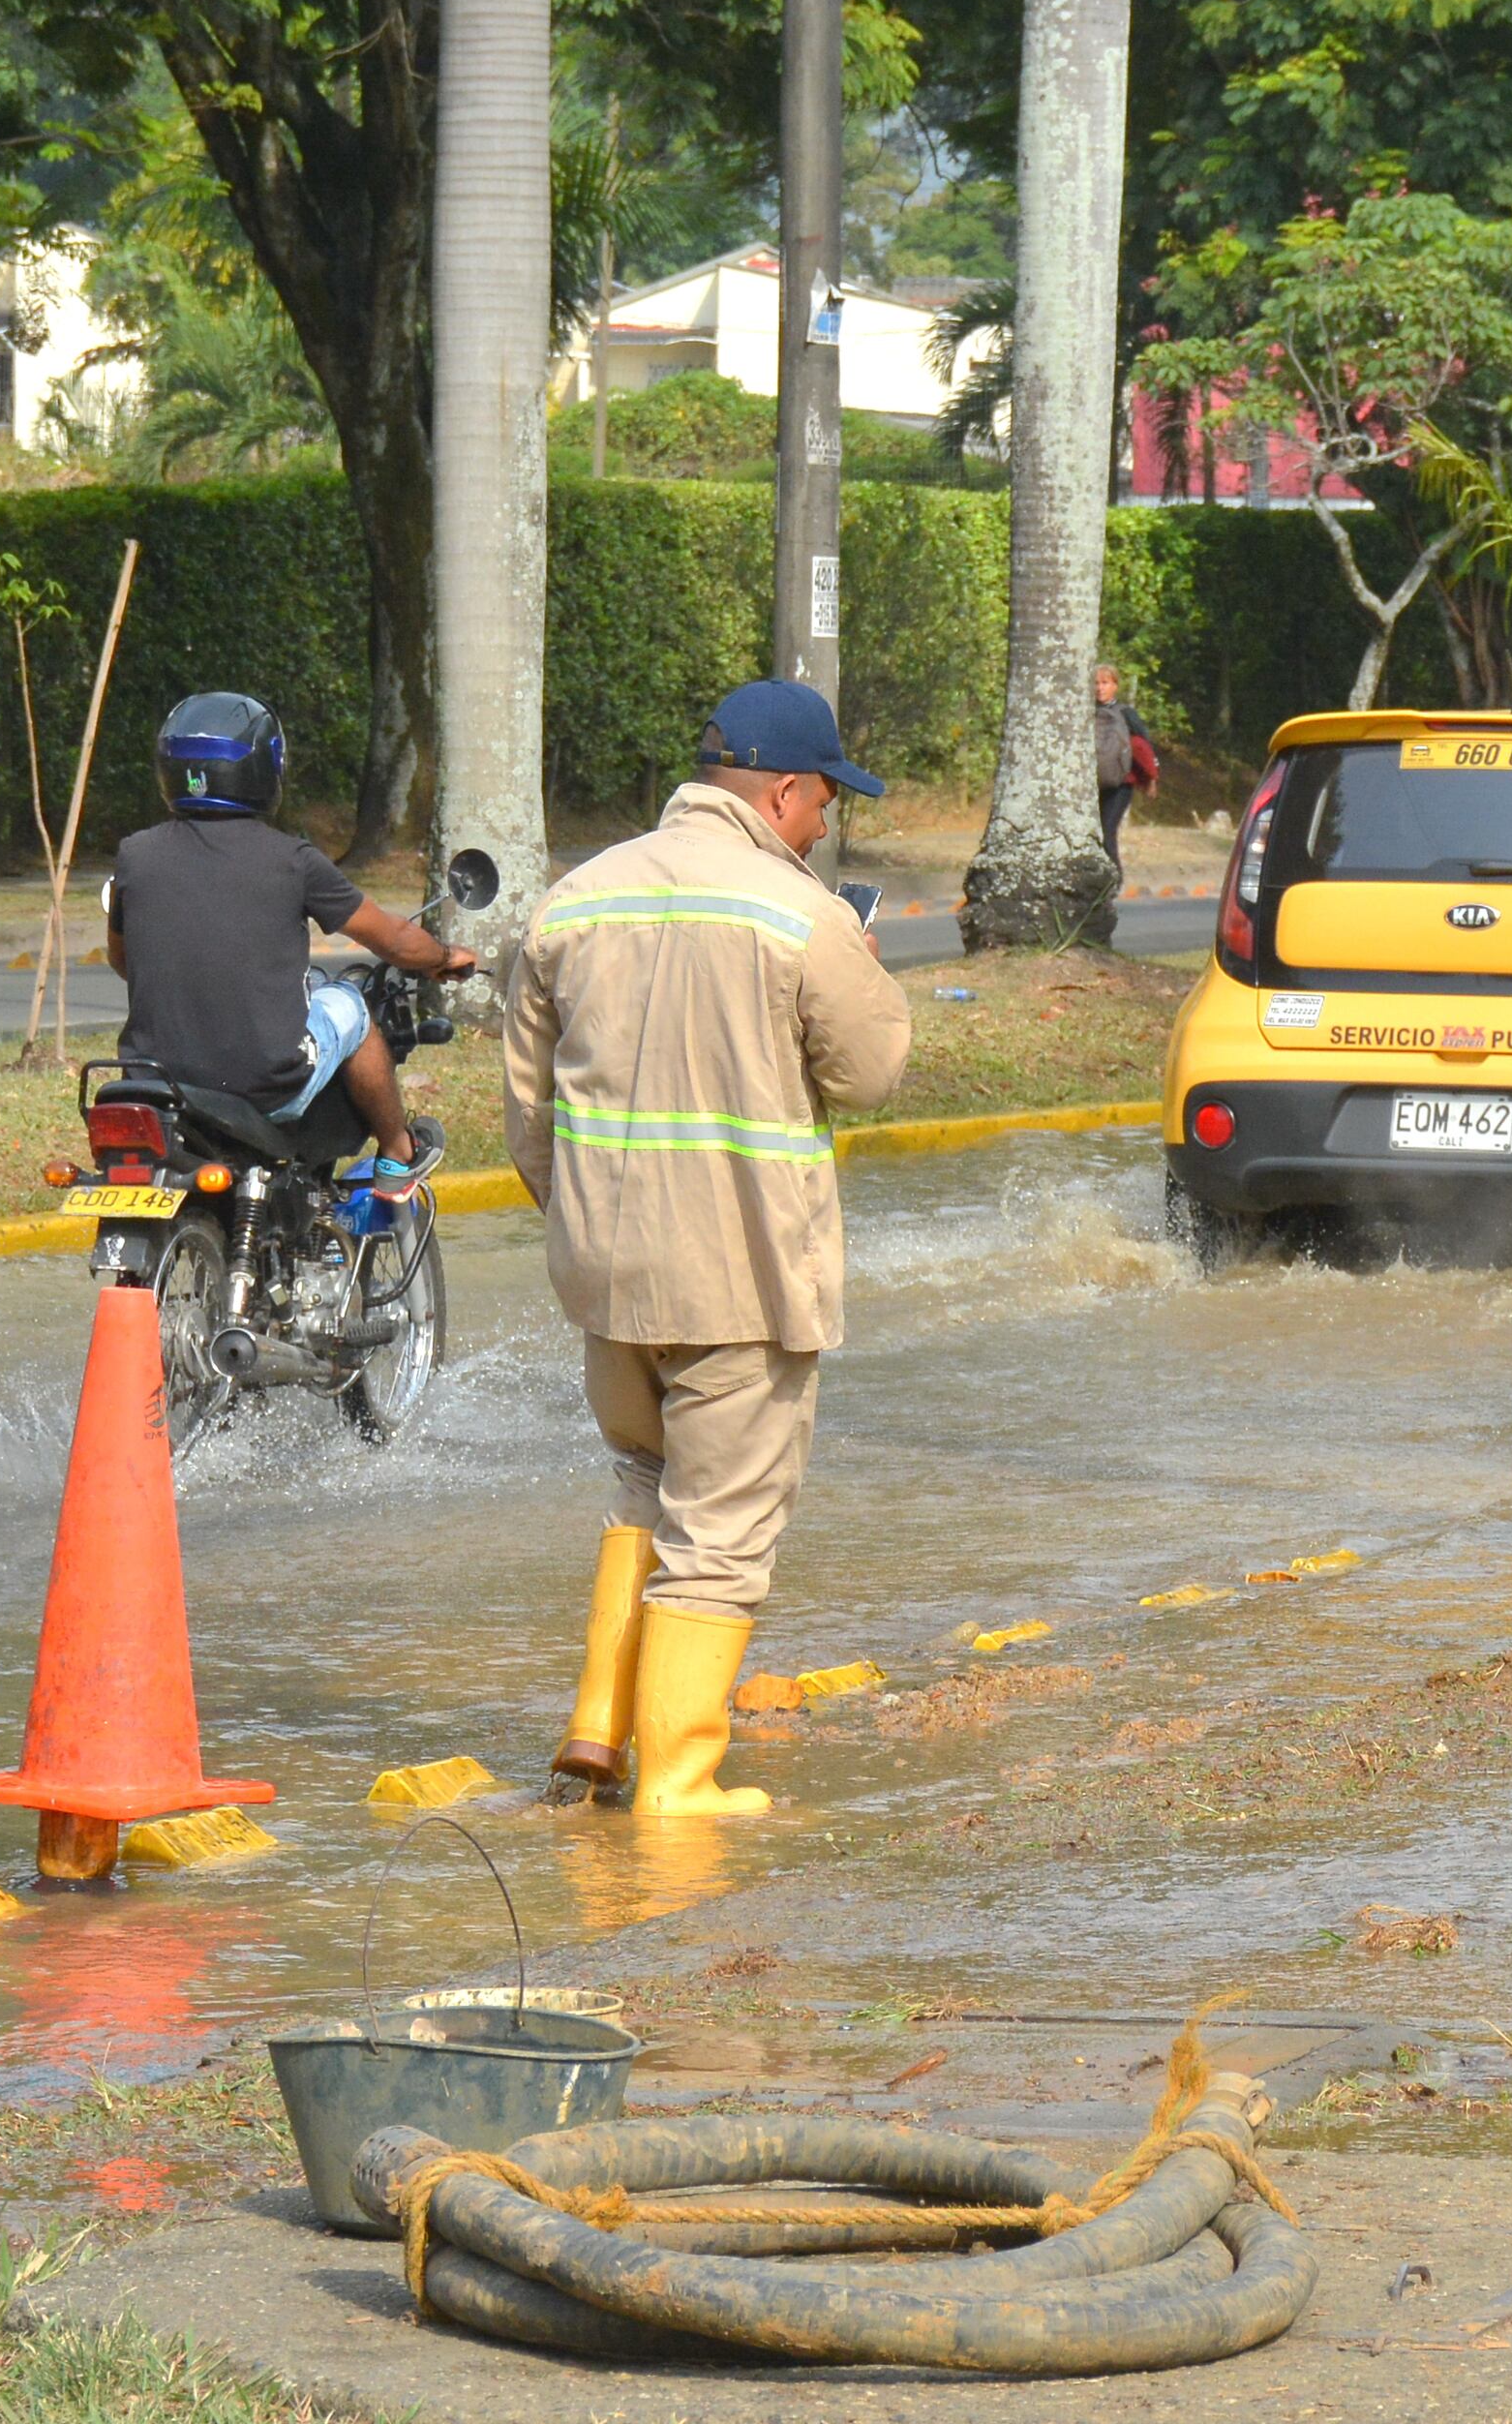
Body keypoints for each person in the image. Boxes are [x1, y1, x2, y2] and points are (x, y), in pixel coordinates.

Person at [506, 678, 914, 1816]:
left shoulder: (571, 902)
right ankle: (679, 1784)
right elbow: (870, 1074)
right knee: (720, 1535)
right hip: (742, 1278)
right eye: (824, 800)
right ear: (781, 793)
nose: (824, 825)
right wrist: (858, 960)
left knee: (643, 1481)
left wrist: (588, 1227)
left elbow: (530, 1120)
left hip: (607, 1280)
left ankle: (598, 1732)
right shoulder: (799, 915)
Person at [103, 691, 473, 1176]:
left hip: (154, 1083)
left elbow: (123, 960)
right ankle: (398, 1149)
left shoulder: (135, 854)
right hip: (266, 1085)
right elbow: (397, 942)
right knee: (351, 1007)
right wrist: (443, 957)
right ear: (266, 768)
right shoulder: (293, 861)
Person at [1091, 663, 1154, 873]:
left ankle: (1114, 877)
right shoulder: (1085, 712)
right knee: (1096, 833)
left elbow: (1143, 747)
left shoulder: (1127, 714)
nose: (1100, 688)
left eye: (1105, 683)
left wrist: (1150, 779)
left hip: (1122, 784)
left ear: (1115, 686)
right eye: (1096, 683)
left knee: (1107, 830)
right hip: (1093, 784)